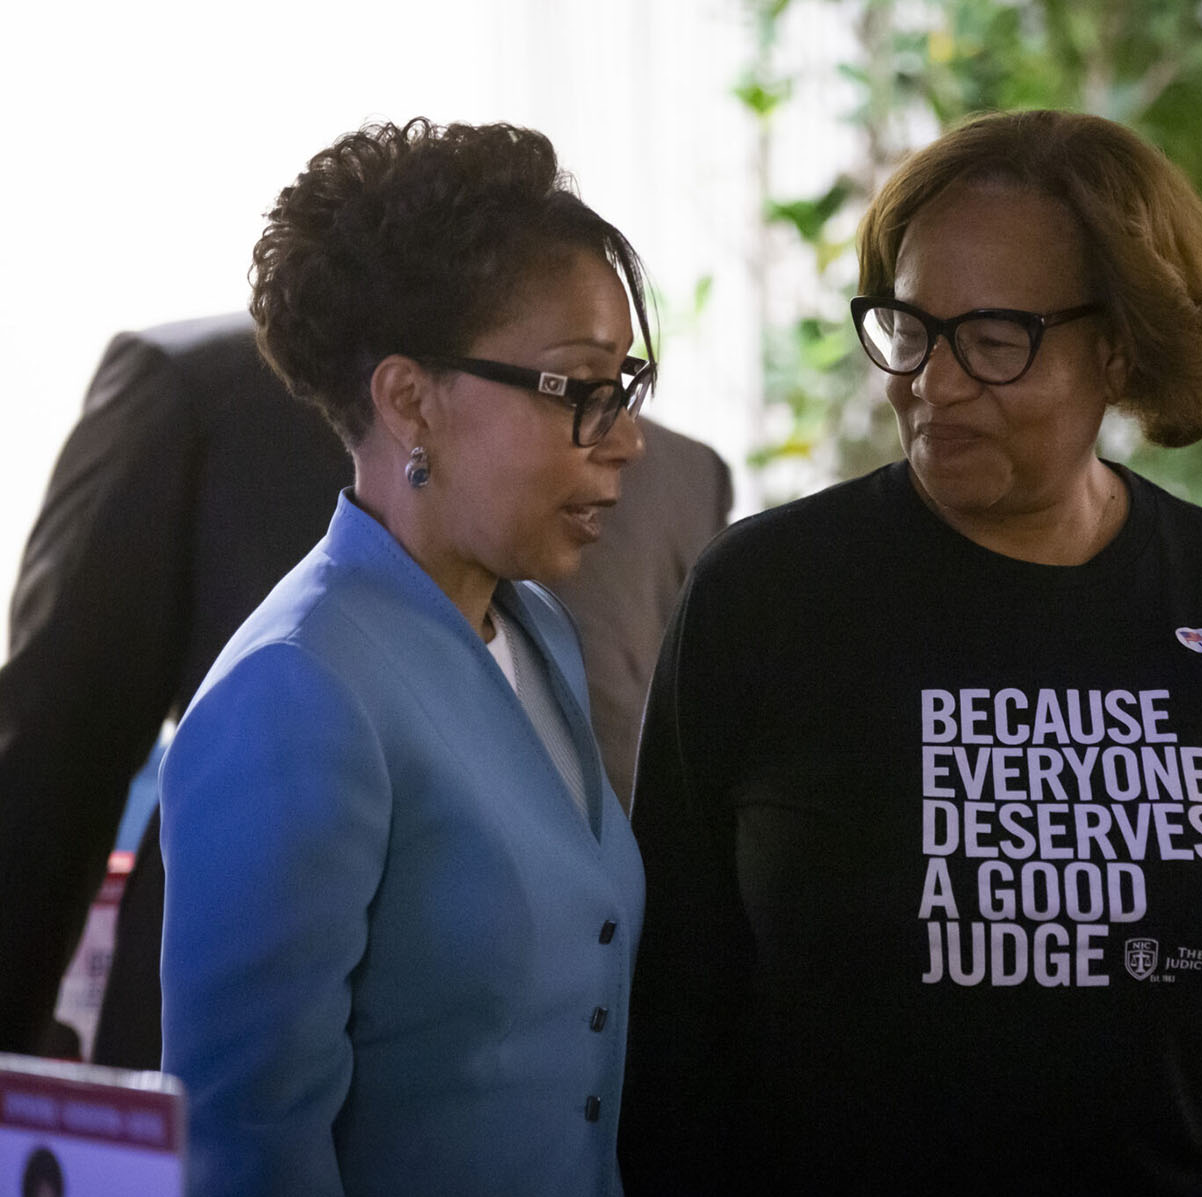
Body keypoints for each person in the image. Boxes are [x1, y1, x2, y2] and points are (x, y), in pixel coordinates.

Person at [622, 109, 1202, 1197]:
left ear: (1118, 346)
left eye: (993, 339)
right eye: (910, 327)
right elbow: (669, 1029)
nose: (933, 381)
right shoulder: (766, 597)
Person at [0, 317, 729, 1067]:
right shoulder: (196, 395)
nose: (621, 439)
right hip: (246, 1063)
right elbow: (48, 770)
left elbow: (48, 760)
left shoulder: (681, 478)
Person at [158, 118, 650, 1197]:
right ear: (409, 399)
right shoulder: (296, 691)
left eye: (628, 385)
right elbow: (248, 1151)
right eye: (578, 387)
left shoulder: (533, 629)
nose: (624, 436)